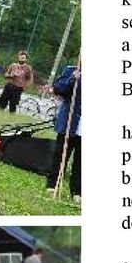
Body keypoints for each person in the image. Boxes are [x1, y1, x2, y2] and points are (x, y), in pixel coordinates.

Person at [46, 63, 81, 202]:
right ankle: (53, 184)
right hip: (69, 121)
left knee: (81, 160)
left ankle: (77, 192)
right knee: (61, 154)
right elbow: (58, 89)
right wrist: (72, 79)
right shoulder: (71, 70)